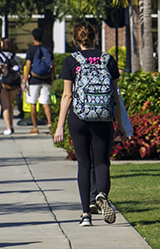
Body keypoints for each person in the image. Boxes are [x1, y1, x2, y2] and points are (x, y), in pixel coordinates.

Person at [53, 22, 124, 227]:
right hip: (103, 117)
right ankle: (101, 194)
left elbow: (67, 95)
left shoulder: (71, 61)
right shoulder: (107, 59)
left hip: (79, 117)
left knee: (84, 164)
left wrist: (60, 126)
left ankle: (85, 215)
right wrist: (118, 122)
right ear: (96, 38)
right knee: (101, 162)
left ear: (76, 40)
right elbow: (115, 95)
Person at [23, 28, 54, 134]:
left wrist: (24, 80)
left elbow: (28, 66)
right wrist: (52, 78)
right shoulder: (48, 50)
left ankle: (35, 128)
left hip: (34, 80)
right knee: (45, 103)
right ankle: (50, 125)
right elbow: (52, 65)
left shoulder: (31, 50)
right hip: (46, 80)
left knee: (33, 104)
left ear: (33, 38)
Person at [0, 37, 21, 135]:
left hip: (3, 82)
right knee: (10, 105)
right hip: (13, 83)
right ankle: (11, 125)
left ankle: (8, 128)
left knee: (5, 106)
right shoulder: (15, 57)